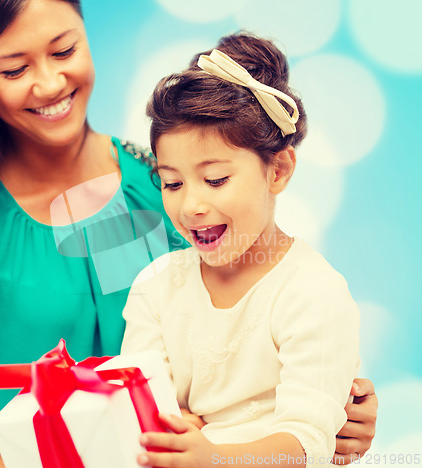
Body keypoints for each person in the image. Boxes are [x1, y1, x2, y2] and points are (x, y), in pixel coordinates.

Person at [0, 0, 376, 466]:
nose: (51, 82)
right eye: (15, 69)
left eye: (64, 51)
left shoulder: (161, 182)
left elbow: (255, 340)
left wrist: (337, 398)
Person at [120, 33, 374, 468]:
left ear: (277, 169)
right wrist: (173, 426)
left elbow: (308, 441)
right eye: (172, 183)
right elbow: (136, 410)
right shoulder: (157, 286)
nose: (192, 206)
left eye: (216, 179)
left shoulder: (312, 292)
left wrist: (213, 457)